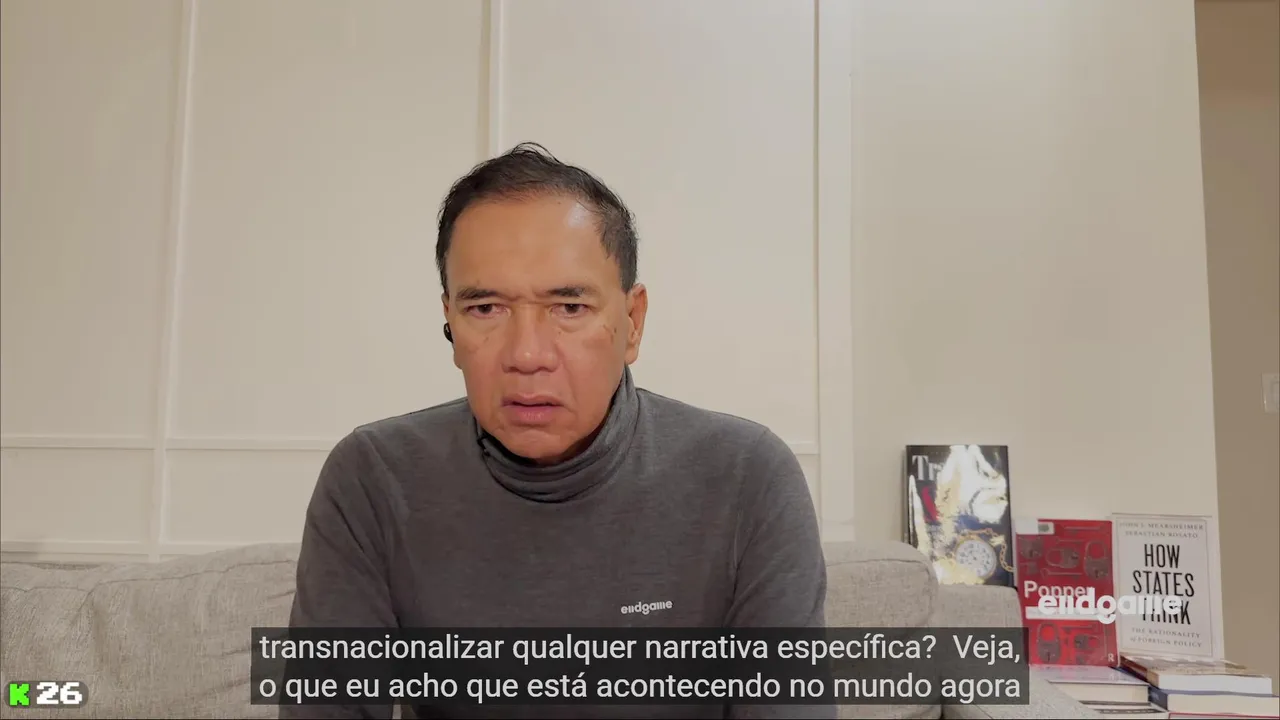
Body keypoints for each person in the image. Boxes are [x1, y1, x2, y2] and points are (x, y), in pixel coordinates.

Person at [282, 143, 831, 719]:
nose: (527, 355)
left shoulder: (747, 478)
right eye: (485, 308)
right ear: (450, 323)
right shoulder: (373, 479)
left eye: (569, 307)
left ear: (632, 322)